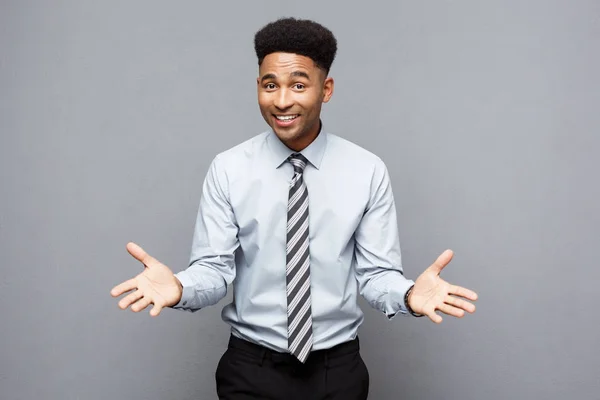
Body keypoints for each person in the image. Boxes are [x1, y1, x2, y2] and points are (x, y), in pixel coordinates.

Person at [110, 17, 478, 400]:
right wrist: (181, 286)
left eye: (298, 85)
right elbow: (214, 270)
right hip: (250, 369)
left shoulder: (367, 170)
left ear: (326, 88)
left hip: (337, 372)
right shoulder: (229, 169)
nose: (282, 101)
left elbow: (377, 274)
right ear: (258, 87)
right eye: (271, 85)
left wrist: (408, 297)